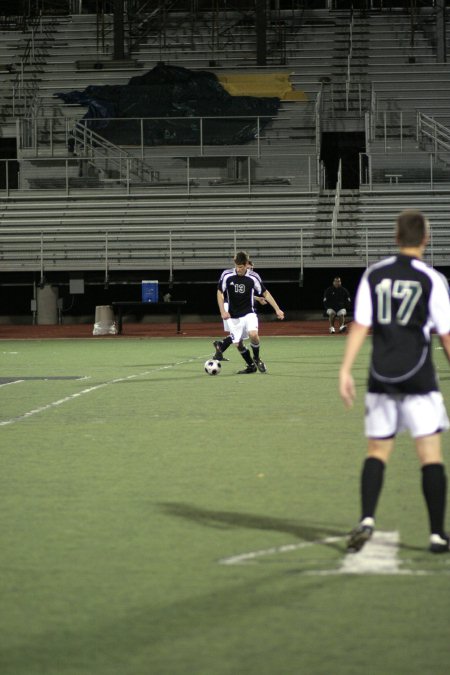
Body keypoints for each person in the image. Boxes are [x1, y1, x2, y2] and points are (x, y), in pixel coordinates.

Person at [339, 209, 450, 554]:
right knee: (430, 455)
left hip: (381, 376)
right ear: (425, 239)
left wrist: (345, 369)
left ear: (396, 237)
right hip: (420, 378)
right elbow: (446, 336)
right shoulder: (432, 279)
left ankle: (367, 519)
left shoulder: (375, 275)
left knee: (377, 452)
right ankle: (436, 535)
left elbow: (360, 325)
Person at [214, 251, 284, 374]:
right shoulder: (226, 275)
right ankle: (251, 366)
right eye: (237, 266)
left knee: (253, 334)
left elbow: (265, 293)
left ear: (246, 265)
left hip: (249, 313)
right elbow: (220, 292)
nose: (239, 269)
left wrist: (277, 309)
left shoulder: (253, 277)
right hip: (233, 316)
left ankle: (256, 358)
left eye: (241, 267)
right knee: (238, 344)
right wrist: (222, 311)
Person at [212, 259, 266, 362]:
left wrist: (257, 298)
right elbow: (225, 292)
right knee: (238, 336)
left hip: (235, 308)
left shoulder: (248, 277)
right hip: (230, 307)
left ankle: (220, 349)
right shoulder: (232, 276)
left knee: (238, 335)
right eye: (249, 268)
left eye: (252, 268)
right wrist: (223, 311)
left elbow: (244, 293)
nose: (250, 270)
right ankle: (220, 345)